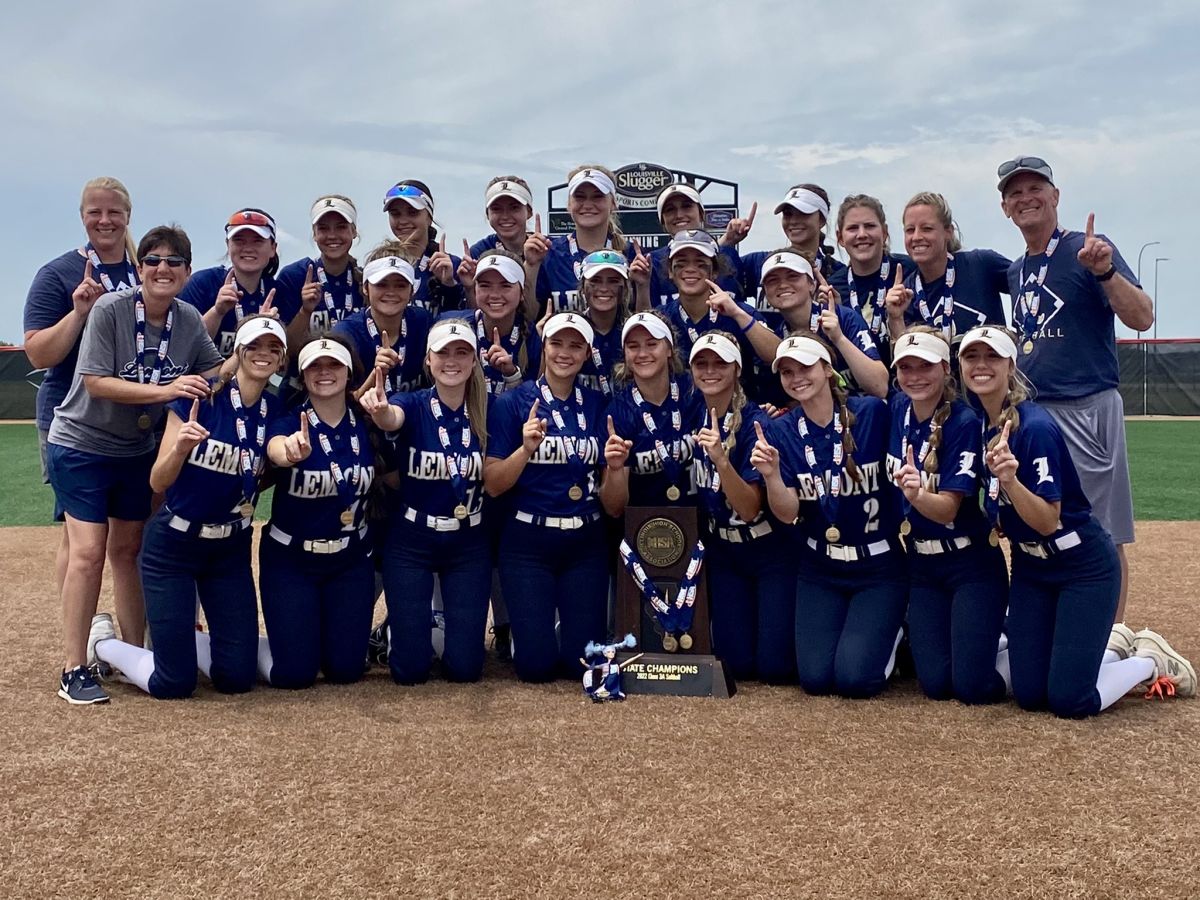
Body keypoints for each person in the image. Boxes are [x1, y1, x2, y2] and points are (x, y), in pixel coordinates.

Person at [958, 325, 1194, 715]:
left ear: (1011, 365)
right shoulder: (980, 424)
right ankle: (1112, 648)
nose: (981, 365)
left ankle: (1149, 659)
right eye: (971, 357)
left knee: (1071, 700)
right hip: (1033, 569)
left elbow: (1049, 521)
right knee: (1031, 696)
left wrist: (1010, 481)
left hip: (1082, 567)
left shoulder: (1035, 427)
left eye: (992, 357)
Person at [47, 224, 224, 703]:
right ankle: (73, 667)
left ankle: (131, 653)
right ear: (140, 267)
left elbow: (213, 372)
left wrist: (251, 354)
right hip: (82, 443)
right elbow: (97, 382)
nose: (162, 268)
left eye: (173, 261)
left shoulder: (186, 320)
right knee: (88, 553)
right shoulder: (111, 309)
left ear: (187, 272)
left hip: (133, 451)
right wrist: (169, 389)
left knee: (128, 552)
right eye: (152, 260)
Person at [87, 315, 288, 698]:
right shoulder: (202, 397)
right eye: (254, 346)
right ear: (238, 352)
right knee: (173, 683)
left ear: (281, 359)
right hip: (174, 546)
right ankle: (103, 643)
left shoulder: (276, 410)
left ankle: (183, 645)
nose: (263, 354)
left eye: (273, 348)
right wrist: (180, 448)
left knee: (236, 679)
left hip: (229, 549)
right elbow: (157, 481)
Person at [996, 155, 1152, 622]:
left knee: (1102, 532)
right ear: (1004, 207)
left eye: (1035, 188)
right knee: (1040, 522)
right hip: (1035, 413)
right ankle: (1057, 624)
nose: (1026, 198)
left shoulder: (1088, 250)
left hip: (1087, 405)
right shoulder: (1017, 269)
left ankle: (1110, 634)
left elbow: (1142, 317)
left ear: (1055, 196)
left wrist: (1104, 272)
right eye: (1015, 193)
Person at [751, 334, 903, 698]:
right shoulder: (781, 429)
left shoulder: (870, 413)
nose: (796, 377)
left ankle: (899, 629)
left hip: (877, 567)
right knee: (816, 680)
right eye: (787, 371)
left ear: (827, 368)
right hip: (820, 567)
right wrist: (771, 476)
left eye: (805, 367)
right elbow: (787, 513)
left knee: (854, 681)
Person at [23, 177, 141, 611]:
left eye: (114, 212)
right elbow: (37, 353)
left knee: (130, 539)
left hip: (131, 423)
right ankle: (86, 631)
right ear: (82, 217)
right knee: (82, 539)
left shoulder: (141, 269)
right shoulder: (58, 274)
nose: (105, 220)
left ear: (128, 216)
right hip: (70, 420)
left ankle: (136, 633)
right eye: (96, 211)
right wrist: (78, 314)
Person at [360, 320, 491, 683]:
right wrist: (380, 410)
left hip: (468, 542)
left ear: (475, 360)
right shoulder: (414, 403)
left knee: (465, 670)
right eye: (443, 353)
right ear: (428, 361)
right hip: (412, 539)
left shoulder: (488, 408)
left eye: (462, 352)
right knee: (409, 671)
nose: (452, 360)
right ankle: (391, 633)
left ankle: (420, 633)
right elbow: (392, 418)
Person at [484, 313, 609, 682]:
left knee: (580, 666)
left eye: (575, 346)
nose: (565, 353)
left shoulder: (600, 404)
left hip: (585, 540)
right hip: (528, 543)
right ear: (544, 347)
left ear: (587, 353)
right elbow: (492, 484)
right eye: (557, 343)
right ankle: (531, 635)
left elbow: (613, 498)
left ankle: (564, 633)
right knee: (535, 669)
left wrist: (615, 468)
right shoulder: (512, 404)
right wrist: (524, 451)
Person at [887, 327, 1006, 704]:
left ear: (945, 368)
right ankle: (982, 640)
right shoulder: (896, 408)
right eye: (905, 367)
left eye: (925, 366)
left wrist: (917, 494)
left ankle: (1009, 647)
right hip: (922, 566)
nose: (915, 375)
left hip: (969, 564)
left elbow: (948, 509)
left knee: (971, 688)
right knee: (936, 686)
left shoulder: (964, 421)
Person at [258, 335, 377, 689]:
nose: (325, 373)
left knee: (346, 672)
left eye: (333, 365)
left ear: (349, 372)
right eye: (315, 367)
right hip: (292, 559)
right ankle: (246, 647)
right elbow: (275, 447)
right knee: (295, 675)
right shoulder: (290, 421)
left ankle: (312, 641)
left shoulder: (367, 423)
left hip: (349, 560)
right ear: (303, 375)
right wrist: (288, 451)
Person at [689, 331, 798, 683]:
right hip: (724, 552)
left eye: (720, 363)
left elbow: (751, 508)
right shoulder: (690, 415)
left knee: (774, 669)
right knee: (735, 664)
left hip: (768, 550)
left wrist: (722, 461)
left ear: (737, 369)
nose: (710, 371)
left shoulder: (756, 422)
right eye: (701, 363)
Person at [601, 311, 704, 513]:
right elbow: (614, 508)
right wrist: (614, 470)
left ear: (669, 349)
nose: (642, 353)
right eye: (633, 346)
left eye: (652, 343)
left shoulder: (695, 391)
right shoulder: (618, 412)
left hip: (702, 525)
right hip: (646, 532)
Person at [755, 249, 887, 402]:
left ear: (812, 284)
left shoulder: (842, 317)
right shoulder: (777, 338)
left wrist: (839, 339)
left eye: (793, 276)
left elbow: (880, 387)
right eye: (772, 280)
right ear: (764, 291)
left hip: (860, 415)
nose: (783, 285)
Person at [884, 192, 1010, 342]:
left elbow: (1029, 285)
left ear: (948, 232)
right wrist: (896, 318)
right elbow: (906, 359)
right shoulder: (907, 293)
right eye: (910, 230)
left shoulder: (981, 265)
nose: (917, 237)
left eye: (927, 228)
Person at [658, 229, 781, 370]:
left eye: (700, 263)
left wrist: (737, 314)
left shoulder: (739, 312)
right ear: (670, 271)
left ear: (714, 272)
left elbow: (778, 355)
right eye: (682, 263)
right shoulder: (662, 317)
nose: (690, 269)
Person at [523, 165, 635, 315]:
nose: (588, 205)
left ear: (613, 203)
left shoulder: (632, 254)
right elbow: (529, 316)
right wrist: (531, 266)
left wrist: (642, 285)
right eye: (580, 197)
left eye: (597, 196)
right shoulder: (548, 253)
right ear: (569, 205)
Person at [178, 208, 280, 356]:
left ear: (273, 248)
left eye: (258, 241)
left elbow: (285, 360)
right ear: (228, 244)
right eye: (239, 240)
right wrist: (217, 312)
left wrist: (265, 330)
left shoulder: (278, 291)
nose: (248, 248)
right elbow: (181, 349)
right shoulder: (203, 283)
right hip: (201, 378)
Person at [731, 183, 849, 310]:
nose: (793, 221)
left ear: (821, 220)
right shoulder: (760, 262)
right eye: (788, 214)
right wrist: (728, 241)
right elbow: (713, 276)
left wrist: (838, 309)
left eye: (803, 213)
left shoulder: (838, 273)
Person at [333, 244, 432, 395]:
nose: (391, 292)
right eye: (381, 285)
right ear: (365, 287)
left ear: (412, 291)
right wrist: (376, 375)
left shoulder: (423, 322)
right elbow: (337, 405)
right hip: (363, 417)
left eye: (400, 285)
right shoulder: (345, 334)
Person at [445, 250, 540, 395]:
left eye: (505, 285)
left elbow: (534, 401)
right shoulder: (454, 328)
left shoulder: (532, 338)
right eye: (485, 285)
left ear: (522, 293)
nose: (495, 295)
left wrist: (512, 375)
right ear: (475, 289)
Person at [276, 195, 364, 346]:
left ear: (354, 231)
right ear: (314, 234)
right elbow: (284, 350)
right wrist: (305, 311)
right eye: (323, 228)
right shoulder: (294, 276)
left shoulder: (366, 280)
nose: (332, 235)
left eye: (341, 227)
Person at [835, 194, 913, 363]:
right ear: (840, 237)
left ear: (884, 232)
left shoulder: (910, 271)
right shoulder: (833, 287)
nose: (862, 234)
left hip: (908, 379)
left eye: (869, 226)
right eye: (853, 228)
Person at [644, 182, 741, 309]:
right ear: (662, 220)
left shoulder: (728, 255)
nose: (679, 215)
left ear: (701, 213)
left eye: (687, 206)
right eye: (670, 210)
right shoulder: (653, 262)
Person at [382, 180, 465, 316]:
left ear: (429, 218)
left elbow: (466, 317)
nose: (403, 221)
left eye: (413, 212)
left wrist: (449, 286)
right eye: (395, 214)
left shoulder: (452, 265)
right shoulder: (381, 264)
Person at [576, 249, 631, 396]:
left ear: (625, 288)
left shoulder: (635, 332)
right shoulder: (571, 331)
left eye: (613, 281)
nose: (604, 289)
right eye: (595, 281)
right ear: (582, 286)